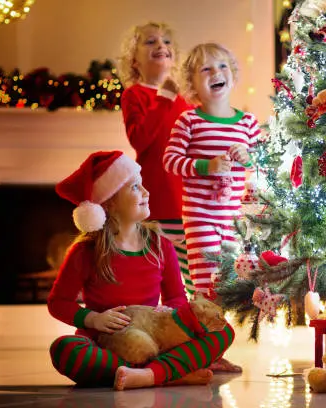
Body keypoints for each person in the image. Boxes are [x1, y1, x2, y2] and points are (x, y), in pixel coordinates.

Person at [47, 150, 236, 390]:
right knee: (65, 350)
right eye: (135, 187)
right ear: (110, 202)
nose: (146, 192)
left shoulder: (160, 245)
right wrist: (93, 319)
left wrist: (183, 326)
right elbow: (58, 302)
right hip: (106, 343)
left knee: (223, 332)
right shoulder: (85, 252)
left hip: (156, 339)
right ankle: (169, 372)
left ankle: (146, 376)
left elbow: (176, 298)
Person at [163, 42, 260, 298]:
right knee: (205, 275)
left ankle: (219, 327)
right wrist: (207, 166)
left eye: (222, 66)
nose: (215, 73)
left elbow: (264, 163)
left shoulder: (248, 122)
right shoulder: (189, 120)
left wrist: (248, 159)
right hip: (200, 215)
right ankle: (204, 325)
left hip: (234, 218)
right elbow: (170, 161)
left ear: (233, 74)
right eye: (205, 69)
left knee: (230, 275)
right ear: (191, 84)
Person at [118, 21, 194, 295]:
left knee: (193, 274)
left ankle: (192, 326)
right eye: (150, 41)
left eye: (165, 41)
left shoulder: (187, 99)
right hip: (157, 202)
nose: (161, 45)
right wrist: (163, 99)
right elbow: (140, 139)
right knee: (159, 274)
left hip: (189, 201)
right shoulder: (134, 95)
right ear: (134, 60)